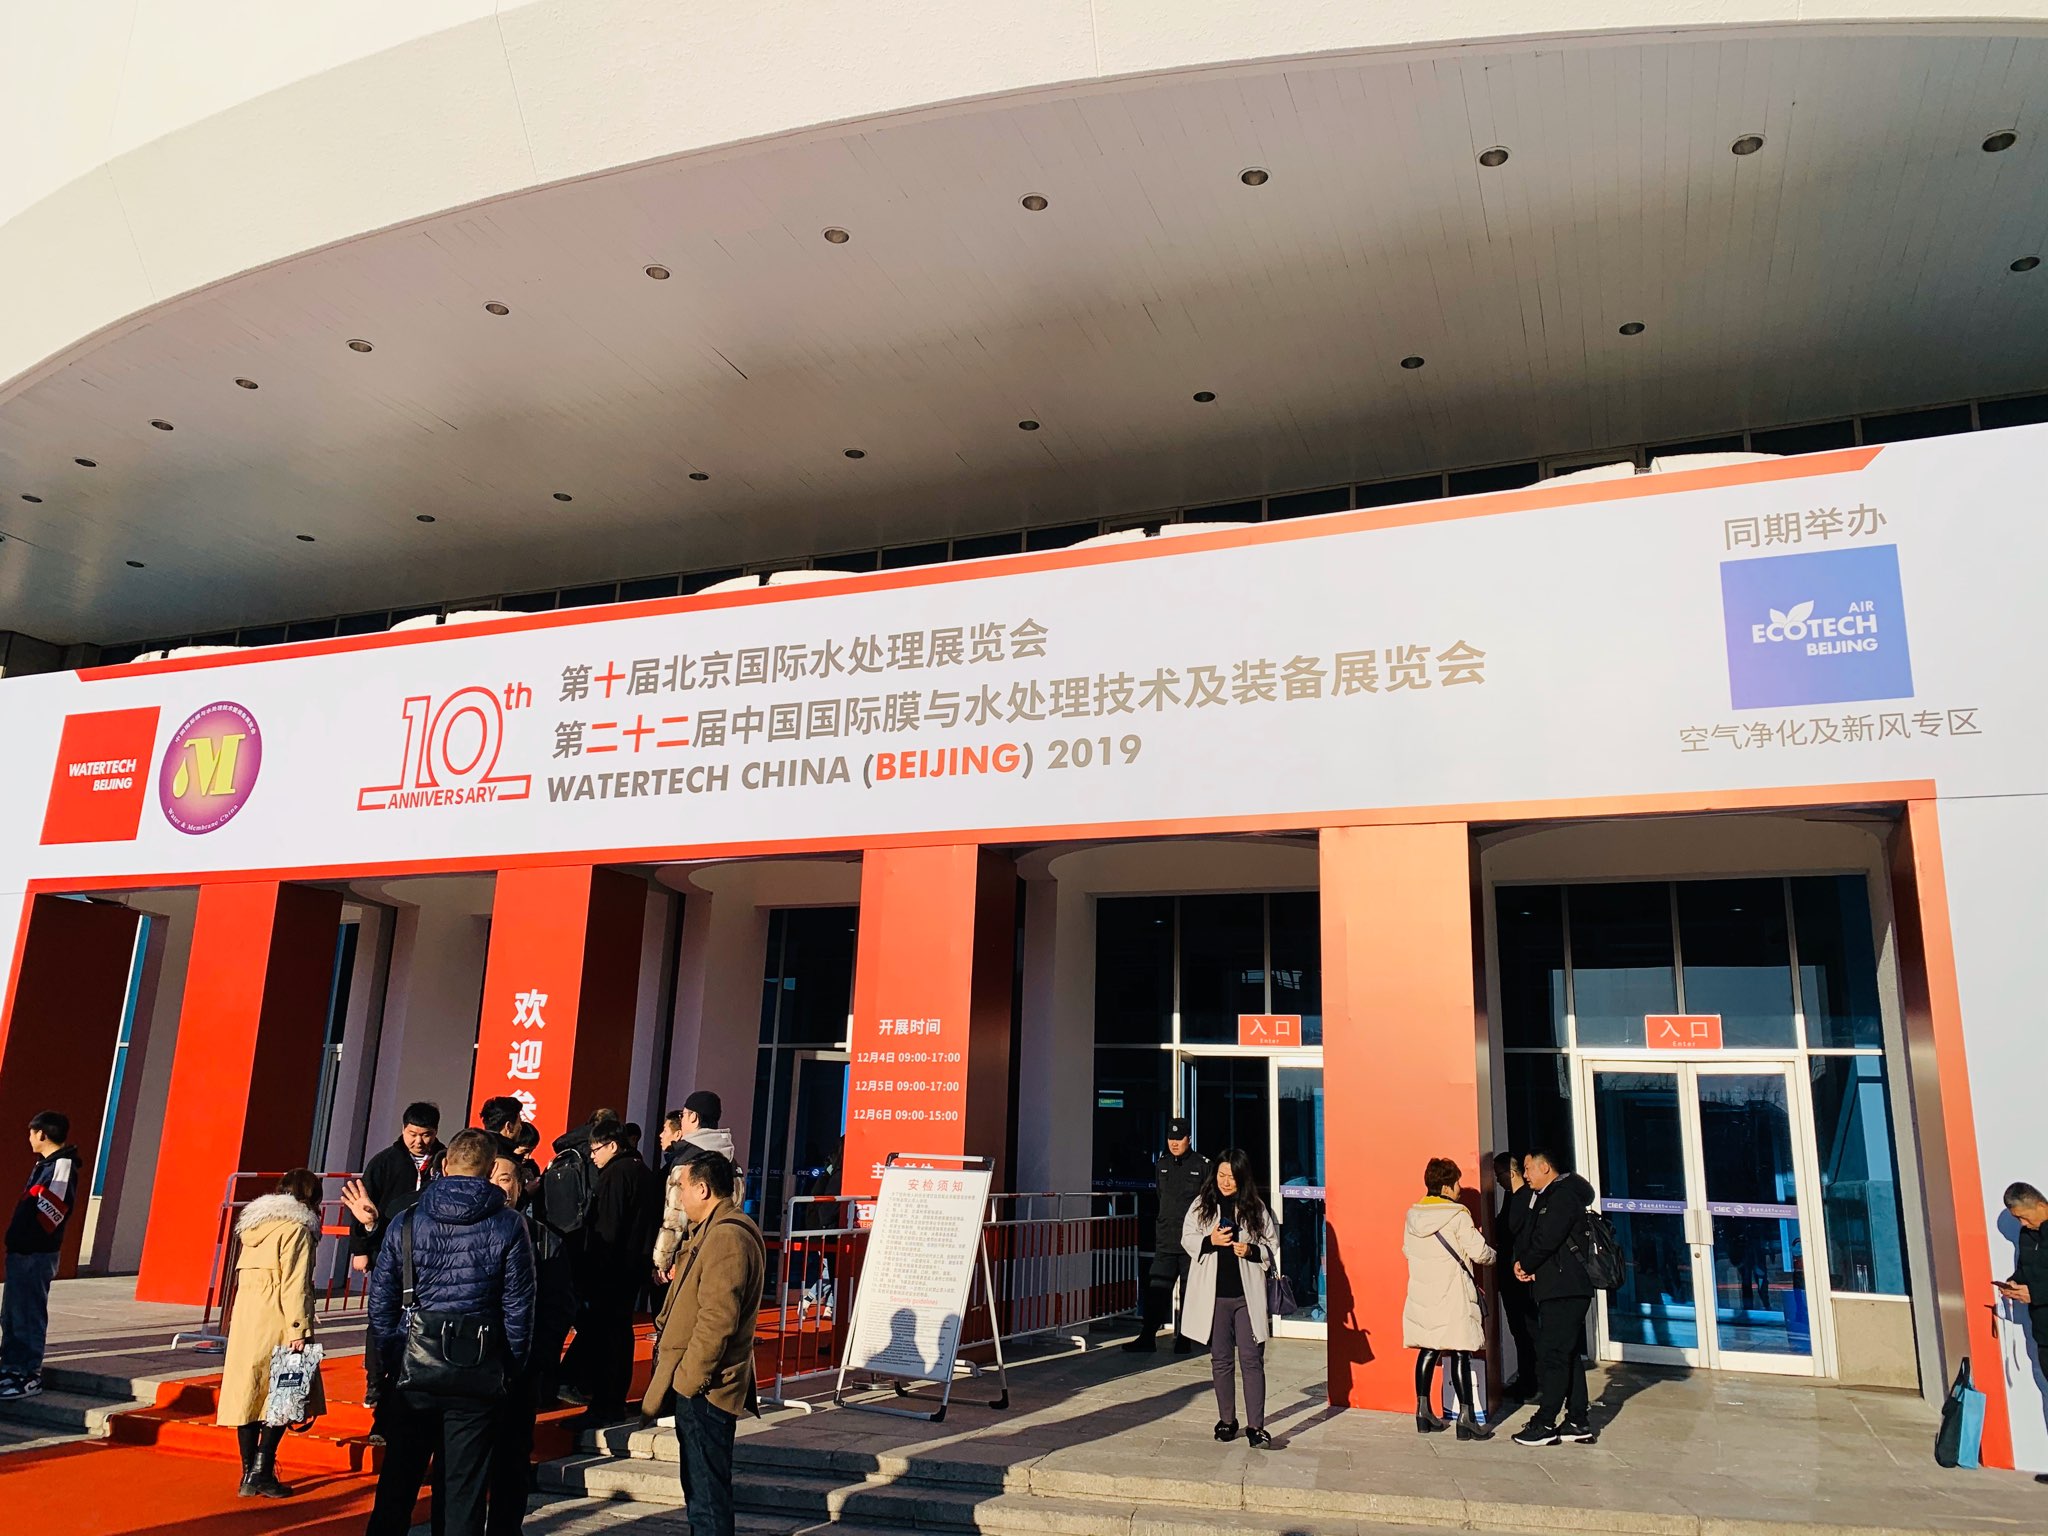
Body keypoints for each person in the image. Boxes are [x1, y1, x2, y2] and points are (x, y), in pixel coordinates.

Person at [365, 1127, 536, 1536]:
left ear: (444, 1165)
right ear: (490, 1170)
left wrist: (392, 1358)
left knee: (397, 1486)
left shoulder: (407, 1220)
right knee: (464, 1491)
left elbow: (381, 1304)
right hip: (476, 1368)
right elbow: (519, 1309)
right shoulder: (509, 1224)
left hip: (413, 1366)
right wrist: (509, 1367)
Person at [640, 1151, 765, 1536]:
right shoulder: (713, 1230)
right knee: (702, 1488)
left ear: (703, 1189)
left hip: (707, 1388)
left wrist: (689, 1380)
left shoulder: (726, 1236)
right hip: (702, 1383)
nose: (679, 1197)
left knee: (706, 1494)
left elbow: (718, 1319)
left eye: (682, 1188)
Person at [215, 1168, 327, 1497]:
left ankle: (247, 1471)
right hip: (280, 1320)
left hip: (248, 1321)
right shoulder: (297, 1229)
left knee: (248, 1395)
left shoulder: (254, 1228)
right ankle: (262, 1470)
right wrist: (299, 1329)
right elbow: (295, 1283)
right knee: (284, 1394)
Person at [1179, 1147, 1277, 1449]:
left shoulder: (1255, 1207)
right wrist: (1210, 1241)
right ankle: (1227, 1420)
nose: (1225, 1182)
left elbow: (1271, 1246)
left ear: (1242, 1178)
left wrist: (1251, 1250)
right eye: (1221, 1175)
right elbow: (1187, 1238)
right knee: (1220, 1360)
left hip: (1246, 1296)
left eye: (1232, 1177)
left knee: (1251, 1360)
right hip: (1215, 1297)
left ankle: (1256, 1426)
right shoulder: (1202, 1204)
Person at [1403, 1156, 1496, 1440]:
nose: (1459, 1189)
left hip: (1423, 1292)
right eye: (1456, 1183)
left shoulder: (1413, 1215)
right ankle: (1466, 1418)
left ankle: (1423, 1411)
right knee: (1460, 1350)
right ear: (1446, 1186)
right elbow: (1480, 1253)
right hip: (1454, 1293)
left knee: (1428, 1349)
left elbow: (1407, 1251)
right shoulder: (1458, 1216)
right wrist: (1495, 1255)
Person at [1510, 1147, 1597, 1447]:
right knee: (1567, 1353)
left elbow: (1547, 1238)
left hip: (1565, 1288)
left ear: (1545, 1167)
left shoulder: (1562, 1197)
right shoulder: (1549, 1196)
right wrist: (1529, 1265)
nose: (1525, 1175)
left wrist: (1526, 1264)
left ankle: (1545, 1421)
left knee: (1553, 1355)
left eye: (1528, 1168)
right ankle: (1577, 1421)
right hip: (1559, 1286)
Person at [574, 1115, 652, 1426]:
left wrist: (593, 1269)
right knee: (619, 1336)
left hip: (611, 1271)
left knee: (606, 1339)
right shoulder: (641, 1170)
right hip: (631, 1268)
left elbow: (608, 1228)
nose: (593, 1156)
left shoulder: (615, 1175)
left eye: (596, 1149)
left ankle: (604, 1405)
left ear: (613, 1146)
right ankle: (611, 1402)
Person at [484, 1145, 546, 1535]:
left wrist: (528, 1360)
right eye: (490, 1176)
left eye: (505, 1178)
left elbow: (558, 1307)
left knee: (511, 1461)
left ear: (521, 1186)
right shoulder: (466, 1230)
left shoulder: (543, 1238)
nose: (497, 1185)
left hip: (518, 1372)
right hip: (471, 1367)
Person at [0, 1111, 79, 1402]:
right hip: (22, 1251)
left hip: (36, 1253)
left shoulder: (62, 1165)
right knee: (12, 1313)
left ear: (42, 1134)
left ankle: (27, 1374)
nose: (29, 1138)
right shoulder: (45, 1165)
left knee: (28, 1313)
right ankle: (10, 1368)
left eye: (31, 1132)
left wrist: (34, 1201)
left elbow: (53, 1213)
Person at [1124, 1116, 1209, 1354]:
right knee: (1157, 1289)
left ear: (1188, 1139)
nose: (1174, 1143)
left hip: (1190, 1241)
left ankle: (1184, 1337)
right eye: (1171, 1138)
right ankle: (1147, 1336)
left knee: (1189, 1292)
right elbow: (1161, 1196)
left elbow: (1207, 1203)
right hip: (1166, 1239)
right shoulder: (1162, 1164)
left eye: (1179, 1138)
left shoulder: (1202, 1165)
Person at [349, 1102, 443, 1275]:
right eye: (412, 1134)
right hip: (387, 1247)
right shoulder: (383, 1162)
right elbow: (362, 1206)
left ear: (435, 1132)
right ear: (403, 1129)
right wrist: (360, 1250)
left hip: (432, 1249)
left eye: (426, 1135)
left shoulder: (445, 1161)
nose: (418, 1141)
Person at [1995, 1181, 2048, 1486]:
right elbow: (2026, 1270)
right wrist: (2014, 1285)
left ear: (2040, 1205)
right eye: (2017, 1220)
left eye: (2023, 1217)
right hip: (2044, 1332)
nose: (2022, 1224)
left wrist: (2035, 1293)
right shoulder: (2028, 1237)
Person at [654, 1095, 738, 1280]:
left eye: (683, 1115)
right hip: (721, 1247)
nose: (682, 1120)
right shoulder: (730, 1158)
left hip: (687, 1253)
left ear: (693, 1117)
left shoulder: (687, 1159)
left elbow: (675, 1217)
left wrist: (663, 1260)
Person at [1493, 1151, 1538, 1399]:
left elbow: (1510, 1230)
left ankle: (1533, 1380)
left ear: (1511, 1173)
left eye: (1498, 1175)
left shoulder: (1527, 1198)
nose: (1497, 1180)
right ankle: (1527, 1378)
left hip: (1521, 1276)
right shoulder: (1511, 1197)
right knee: (1519, 1330)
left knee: (1528, 1330)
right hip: (1509, 1275)